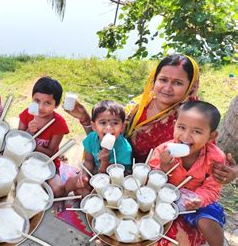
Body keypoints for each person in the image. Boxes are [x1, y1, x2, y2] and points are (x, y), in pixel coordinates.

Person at [65, 54, 200, 163]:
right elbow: (109, 138)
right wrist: (85, 119)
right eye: (163, 80)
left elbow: (195, 157)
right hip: (115, 166)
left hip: (153, 181)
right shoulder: (139, 105)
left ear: (191, 87)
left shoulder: (189, 119)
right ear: (154, 80)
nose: (168, 88)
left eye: (178, 83)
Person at [149, 101, 226, 246]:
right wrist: (163, 167)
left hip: (196, 200)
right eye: (181, 127)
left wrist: (199, 200)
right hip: (166, 199)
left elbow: (213, 189)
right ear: (174, 125)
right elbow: (150, 181)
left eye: (196, 131)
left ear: (211, 136)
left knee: (207, 223)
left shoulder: (216, 158)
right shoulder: (163, 150)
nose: (186, 136)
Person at [18, 77, 70, 207]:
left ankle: (59, 201)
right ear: (32, 99)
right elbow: (19, 140)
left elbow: (51, 152)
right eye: (37, 101)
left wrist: (33, 144)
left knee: (57, 189)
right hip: (25, 159)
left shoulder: (59, 124)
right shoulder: (27, 114)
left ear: (56, 105)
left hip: (46, 163)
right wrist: (29, 132)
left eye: (47, 103)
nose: (41, 107)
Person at [66, 100, 132, 196]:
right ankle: (61, 196)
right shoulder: (91, 138)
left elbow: (115, 178)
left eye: (115, 123)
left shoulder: (125, 149)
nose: (109, 127)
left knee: (91, 195)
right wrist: (84, 174)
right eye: (103, 122)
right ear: (94, 126)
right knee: (72, 181)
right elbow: (88, 161)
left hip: (112, 182)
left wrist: (105, 161)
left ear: (122, 127)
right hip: (95, 170)